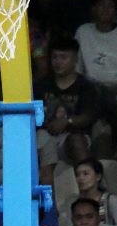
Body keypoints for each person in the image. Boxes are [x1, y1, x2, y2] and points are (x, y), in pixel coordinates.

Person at [35, 36, 100, 165]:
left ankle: (87, 173)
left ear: (75, 59)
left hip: (71, 139)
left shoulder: (86, 86)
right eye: (54, 57)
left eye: (63, 57)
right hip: (44, 137)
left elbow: (87, 117)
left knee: (76, 140)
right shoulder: (41, 85)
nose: (58, 62)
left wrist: (66, 121)